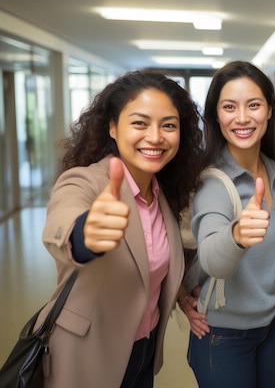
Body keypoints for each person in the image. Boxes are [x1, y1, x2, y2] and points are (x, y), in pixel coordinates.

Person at [38, 69, 204, 388]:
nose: (155, 137)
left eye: (168, 125)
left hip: (143, 352)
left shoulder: (161, 193)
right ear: (113, 127)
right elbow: (63, 221)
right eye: (139, 123)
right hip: (87, 356)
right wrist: (86, 233)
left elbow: (149, 265)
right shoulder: (87, 181)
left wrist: (181, 295)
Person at [179, 60, 275, 388]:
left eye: (253, 105)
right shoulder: (213, 184)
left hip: (270, 327)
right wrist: (238, 235)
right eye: (229, 107)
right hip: (222, 337)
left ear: (269, 109)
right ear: (216, 116)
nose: (242, 117)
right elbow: (212, 256)